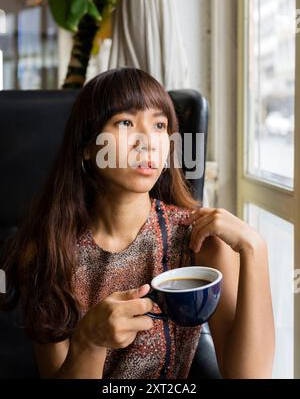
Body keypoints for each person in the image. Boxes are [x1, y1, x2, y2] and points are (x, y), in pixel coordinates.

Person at [0, 67, 275, 379]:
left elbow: (250, 376)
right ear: (88, 147)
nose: (148, 142)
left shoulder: (198, 239)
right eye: (126, 123)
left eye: (159, 125)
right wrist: (90, 342)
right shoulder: (48, 250)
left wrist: (255, 249)